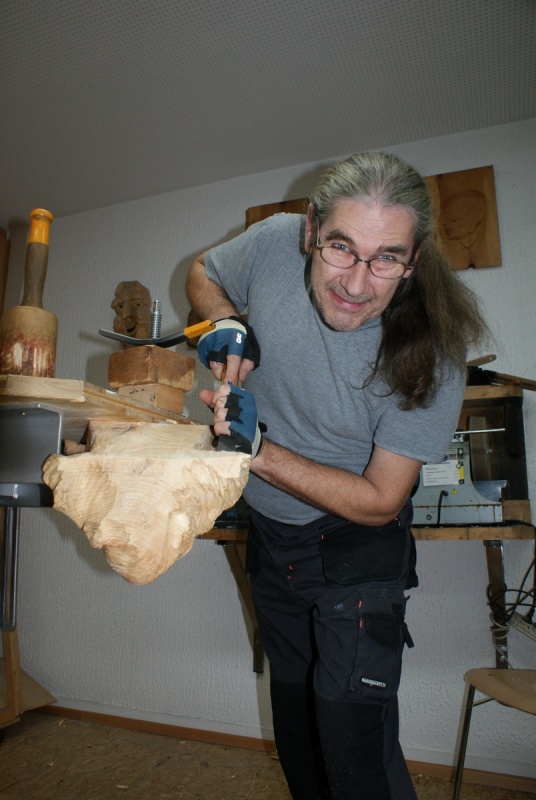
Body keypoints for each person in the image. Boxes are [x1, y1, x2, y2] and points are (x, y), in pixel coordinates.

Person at [186, 151, 487, 800]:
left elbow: (381, 500)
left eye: (386, 259)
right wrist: (226, 322)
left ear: (415, 259)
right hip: (273, 540)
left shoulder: (434, 348)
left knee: (355, 754)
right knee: (298, 737)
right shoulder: (273, 244)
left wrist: (258, 451)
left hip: (357, 547)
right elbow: (203, 271)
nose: (356, 282)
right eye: (341, 247)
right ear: (309, 231)